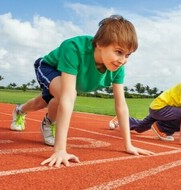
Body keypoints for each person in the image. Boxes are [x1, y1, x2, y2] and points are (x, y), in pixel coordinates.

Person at [10, 15, 154, 167]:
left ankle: (20, 110)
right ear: (99, 44)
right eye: (118, 52)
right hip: (49, 67)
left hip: (69, 79)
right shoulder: (73, 48)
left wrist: (128, 145)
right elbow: (67, 96)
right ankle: (48, 123)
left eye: (128, 55)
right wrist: (60, 150)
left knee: (43, 101)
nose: (123, 60)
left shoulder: (118, 68)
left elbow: (121, 106)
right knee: (63, 95)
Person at [110, 59, 181, 147]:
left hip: (168, 112)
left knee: (140, 128)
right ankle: (161, 128)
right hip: (160, 108)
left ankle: (120, 119)